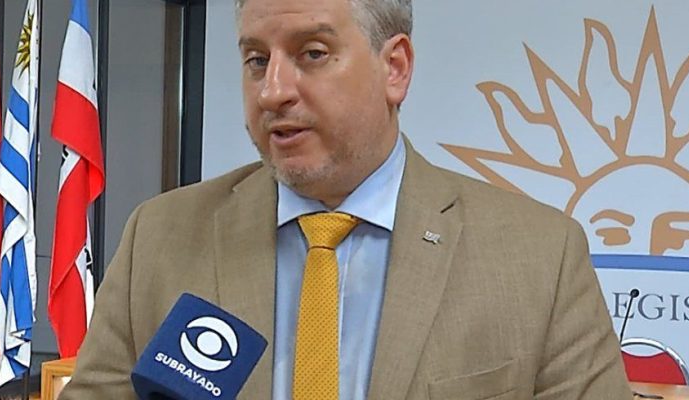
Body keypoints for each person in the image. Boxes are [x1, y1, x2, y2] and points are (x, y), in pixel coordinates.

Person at [60, 0, 634, 398]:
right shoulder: (160, 237)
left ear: (395, 68)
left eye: (312, 53)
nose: (273, 91)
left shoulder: (539, 257)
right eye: (256, 60)